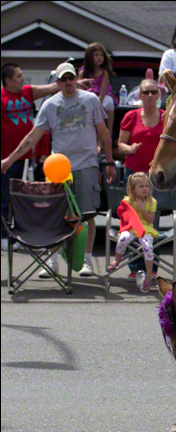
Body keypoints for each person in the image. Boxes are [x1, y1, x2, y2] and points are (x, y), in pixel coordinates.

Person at [1, 62, 115, 277]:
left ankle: (87, 260)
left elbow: (104, 132)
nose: (69, 82)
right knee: (55, 215)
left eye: (71, 78)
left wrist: (108, 162)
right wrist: (8, 160)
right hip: (58, 169)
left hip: (87, 164)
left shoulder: (90, 100)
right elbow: (32, 137)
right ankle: (52, 261)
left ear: (75, 79)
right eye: (64, 79)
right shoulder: (50, 105)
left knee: (87, 214)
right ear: (58, 82)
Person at [1, 63, 83, 251]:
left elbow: (54, 86)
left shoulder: (27, 92)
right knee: (5, 196)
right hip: (5, 156)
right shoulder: (2, 98)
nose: (23, 79)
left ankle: (19, 235)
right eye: (19, 76)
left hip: (24, 156)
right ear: (8, 80)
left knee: (21, 197)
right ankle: (4, 236)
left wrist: (77, 81)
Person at [118, 78, 166, 280]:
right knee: (132, 220)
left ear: (159, 95)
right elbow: (120, 144)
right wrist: (129, 149)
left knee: (153, 220)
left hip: (156, 174)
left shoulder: (166, 117)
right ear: (139, 95)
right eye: (145, 92)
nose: (149, 95)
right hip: (134, 174)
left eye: (153, 92)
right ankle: (134, 266)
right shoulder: (131, 116)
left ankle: (152, 268)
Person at [109, 172, 159, 291]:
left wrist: (142, 209)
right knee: (123, 238)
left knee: (147, 246)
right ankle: (117, 259)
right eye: (141, 186)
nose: (145, 189)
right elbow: (124, 216)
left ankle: (148, 274)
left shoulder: (152, 201)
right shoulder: (127, 201)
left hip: (146, 229)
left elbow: (151, 220)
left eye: (147, 186)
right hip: (130, 227)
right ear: (133, 189)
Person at [77, 42, 117, 137]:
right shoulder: (83, 72)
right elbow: (81, 91)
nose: (99, 58)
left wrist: (98, 101)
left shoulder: (105, 71)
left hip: (103, 95)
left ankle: (109, 132)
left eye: (101, 55)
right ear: (89, 57)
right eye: (96, 55)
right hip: (88, 96)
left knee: (109, 103)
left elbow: (103, 89)